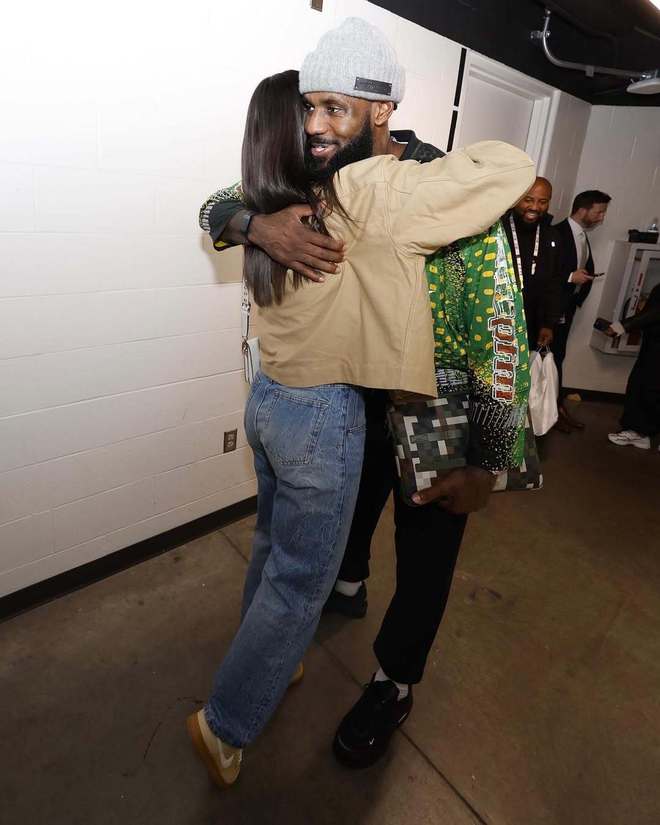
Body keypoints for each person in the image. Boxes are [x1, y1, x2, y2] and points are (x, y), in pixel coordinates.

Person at [197, 17, 534, 771]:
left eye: (332, 108)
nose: (313, 126)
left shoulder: (434, 183)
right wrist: (256, 224)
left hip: (433, 401)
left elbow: (499, 323)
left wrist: (489, 455)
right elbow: (217, 203)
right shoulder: (315, 173)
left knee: (427, 550)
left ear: (380, 109)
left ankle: (394, 680)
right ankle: (342, 591)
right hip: (349, 396)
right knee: (341, 526)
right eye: (307, 108)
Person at [553, 190, 611, 432]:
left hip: (566, 309)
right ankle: (551, 412)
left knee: (558, 357)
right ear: (582, 210)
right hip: (551, 310)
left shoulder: (582, 235)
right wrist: (569, 277)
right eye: (599, 212)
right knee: (550, 359)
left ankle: (556, 409)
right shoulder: (556, 233)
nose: (602, 218)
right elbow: (541, 272)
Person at [503, 176, 562, 351]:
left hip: (531, 323)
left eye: (543, 202)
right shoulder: (497, 229)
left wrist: (548, 324)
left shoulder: (551, 236)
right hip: (495, 317)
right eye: (528, 200)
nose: (535, 207)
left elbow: (554, 283)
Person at [605, 284, 660, 450]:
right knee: (641, 385)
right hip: (653, 343)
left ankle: (640, 432)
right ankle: (639, 432)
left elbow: (655, 313)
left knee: (648, 387)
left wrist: (622, 326)